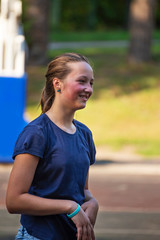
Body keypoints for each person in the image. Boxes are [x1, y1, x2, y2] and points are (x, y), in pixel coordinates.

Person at [6, 52, 99, 240]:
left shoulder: (84, 134)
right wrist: (70, 207)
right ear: (57, 84)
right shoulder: (37, 133)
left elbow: (82, 190)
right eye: (82, 81)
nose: (88, 89)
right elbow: (14, 200)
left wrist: (92, 202)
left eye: (91, 83)